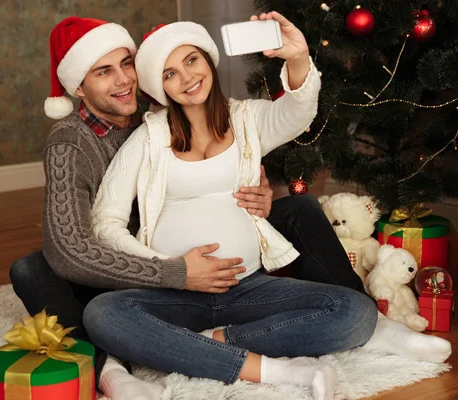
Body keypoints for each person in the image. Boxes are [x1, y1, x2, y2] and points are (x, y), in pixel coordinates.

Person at [84, 13, 374, 400]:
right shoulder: (149, 137)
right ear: (161, 87)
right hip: (175, 295)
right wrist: (173, 271)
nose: (186, 78)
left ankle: (211, 343)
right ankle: (270, 368)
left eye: (191, 61)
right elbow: (105, 222)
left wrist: (298, 56)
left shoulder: (248, 118)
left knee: (356, 313)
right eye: (170, 74)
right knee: (101, 314)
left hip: (247, 288)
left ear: (207, 60)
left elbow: (298, 114)